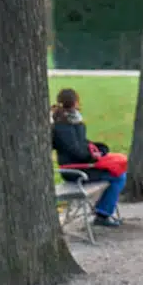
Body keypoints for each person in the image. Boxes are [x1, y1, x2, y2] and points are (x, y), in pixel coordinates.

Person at [51, 88, 126, 227]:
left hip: (83, 166)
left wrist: (99, 148)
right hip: (74, 171)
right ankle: (102, 214)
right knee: (118, 176)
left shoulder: (74, 122)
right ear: (75, 103)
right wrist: (93, 157)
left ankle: (103, 211)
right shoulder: (62, 127)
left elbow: (82, 143)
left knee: (119, 171)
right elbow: (76, 152)